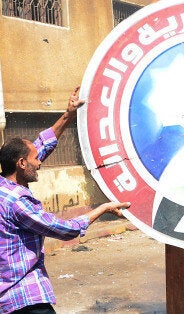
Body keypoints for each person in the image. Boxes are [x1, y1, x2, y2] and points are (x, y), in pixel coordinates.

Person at [0, 87, 131, 313]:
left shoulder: (5, 185)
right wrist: (101, 209)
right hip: (22, 297)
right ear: (21, 164)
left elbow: (41, 145)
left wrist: (68, 114)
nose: (39, 162)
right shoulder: (17, 201)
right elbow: (63, 229)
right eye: (34, 160)